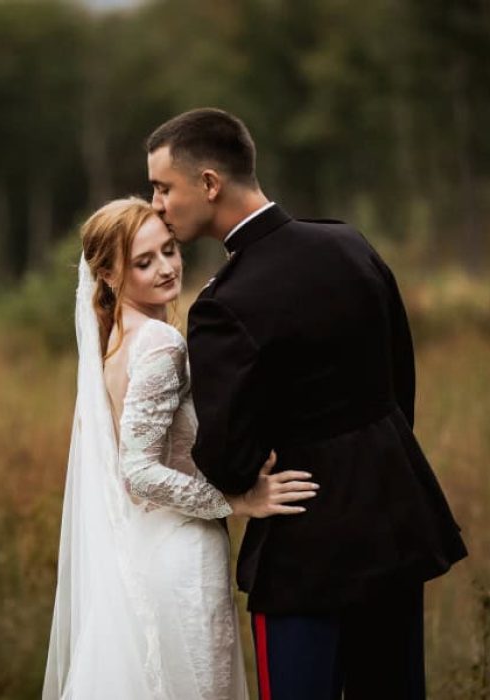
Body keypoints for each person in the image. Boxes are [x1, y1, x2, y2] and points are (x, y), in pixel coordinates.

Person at [146, 107, 467, 699]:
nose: (159, 204)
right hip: (396, 518)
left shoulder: (224, 304)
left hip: (304, 547)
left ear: (210, 184)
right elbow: (400, 384)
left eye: (164, 187)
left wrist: (244, 486)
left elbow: (228, 455)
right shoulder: (348, 243)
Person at [43, 197, 318, 699]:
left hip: (141, 548)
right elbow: (138, 470)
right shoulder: (160, 344)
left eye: (169, 250)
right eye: (144, 262)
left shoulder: (113, 347)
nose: (167, 268)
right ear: (107, 275)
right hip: (182, 553)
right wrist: (236, 501)